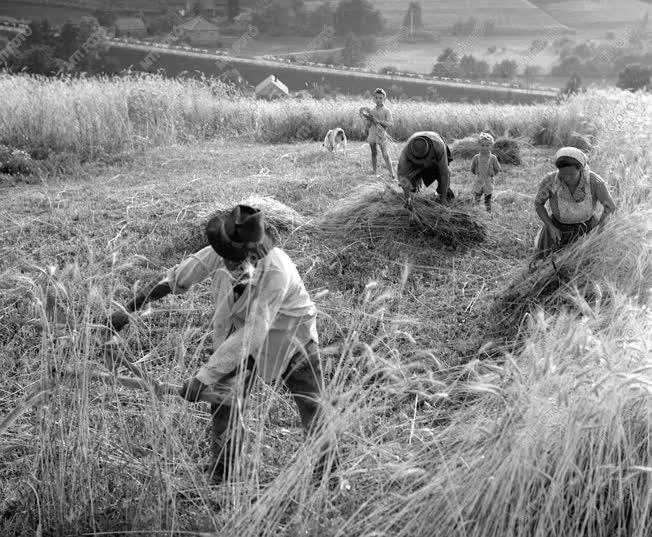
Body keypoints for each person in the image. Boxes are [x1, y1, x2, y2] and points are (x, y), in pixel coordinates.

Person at [109, 204, 335, 484]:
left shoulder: (276, 270)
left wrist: (203, 376)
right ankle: (222, 473)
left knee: (311, 404)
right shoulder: (222, 252)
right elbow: (175, 279)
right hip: (241, 335)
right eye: (226, 258)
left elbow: (255, 332)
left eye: (237, 259)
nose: (229, 264)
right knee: (224, 400)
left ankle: (328, 474)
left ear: (254, 252)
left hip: (292, 335)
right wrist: (128, 309)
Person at [533, 147, 616, 261]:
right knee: (551, 265)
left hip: (587, 229)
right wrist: (550, 227)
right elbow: (538, 204)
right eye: (563, 174)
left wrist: (598, 230)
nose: (566, 178)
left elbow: (610, 207)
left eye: (571, 174)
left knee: (583, 265)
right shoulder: (551, 181)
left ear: (580, 169)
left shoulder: (594, 181)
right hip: (558, 230)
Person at [396, 131, 455, 208]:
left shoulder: (438, 147)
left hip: (436, 146)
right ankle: (414, 190)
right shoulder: (406, 153)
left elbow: (444, 173)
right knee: (411, 186)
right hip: (416, 153)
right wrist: (408, 198)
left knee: (442, 178)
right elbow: (402, 175)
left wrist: (443, 201)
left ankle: (444, 195)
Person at [366, 87, 395, 179]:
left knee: (385, 154)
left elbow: (391, 123)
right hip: (372, 134)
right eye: (376, 97)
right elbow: (368, 125)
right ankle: (375, 173)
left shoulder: (386, 111)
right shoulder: (371, 111)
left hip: (381, 135)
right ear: (374, 98)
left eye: (380, 98)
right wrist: (369, 120)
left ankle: (392, 175)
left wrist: (378, 121)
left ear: (384, 99)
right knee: (373, 153)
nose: (378, 100)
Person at [470, 132, 502, 212]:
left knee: (487, 199)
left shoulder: (493, 158)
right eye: (482, 145)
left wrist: (492, 174)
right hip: (478, 181)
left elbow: (497, 168)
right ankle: (475, 212)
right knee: (476, 197)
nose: (485, 148)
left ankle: (488, 212)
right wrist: (478, 173)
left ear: (491, 146)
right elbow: (472, 168)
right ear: (479, 145)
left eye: (487, 146)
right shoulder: (476, 158)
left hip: (488, 182)